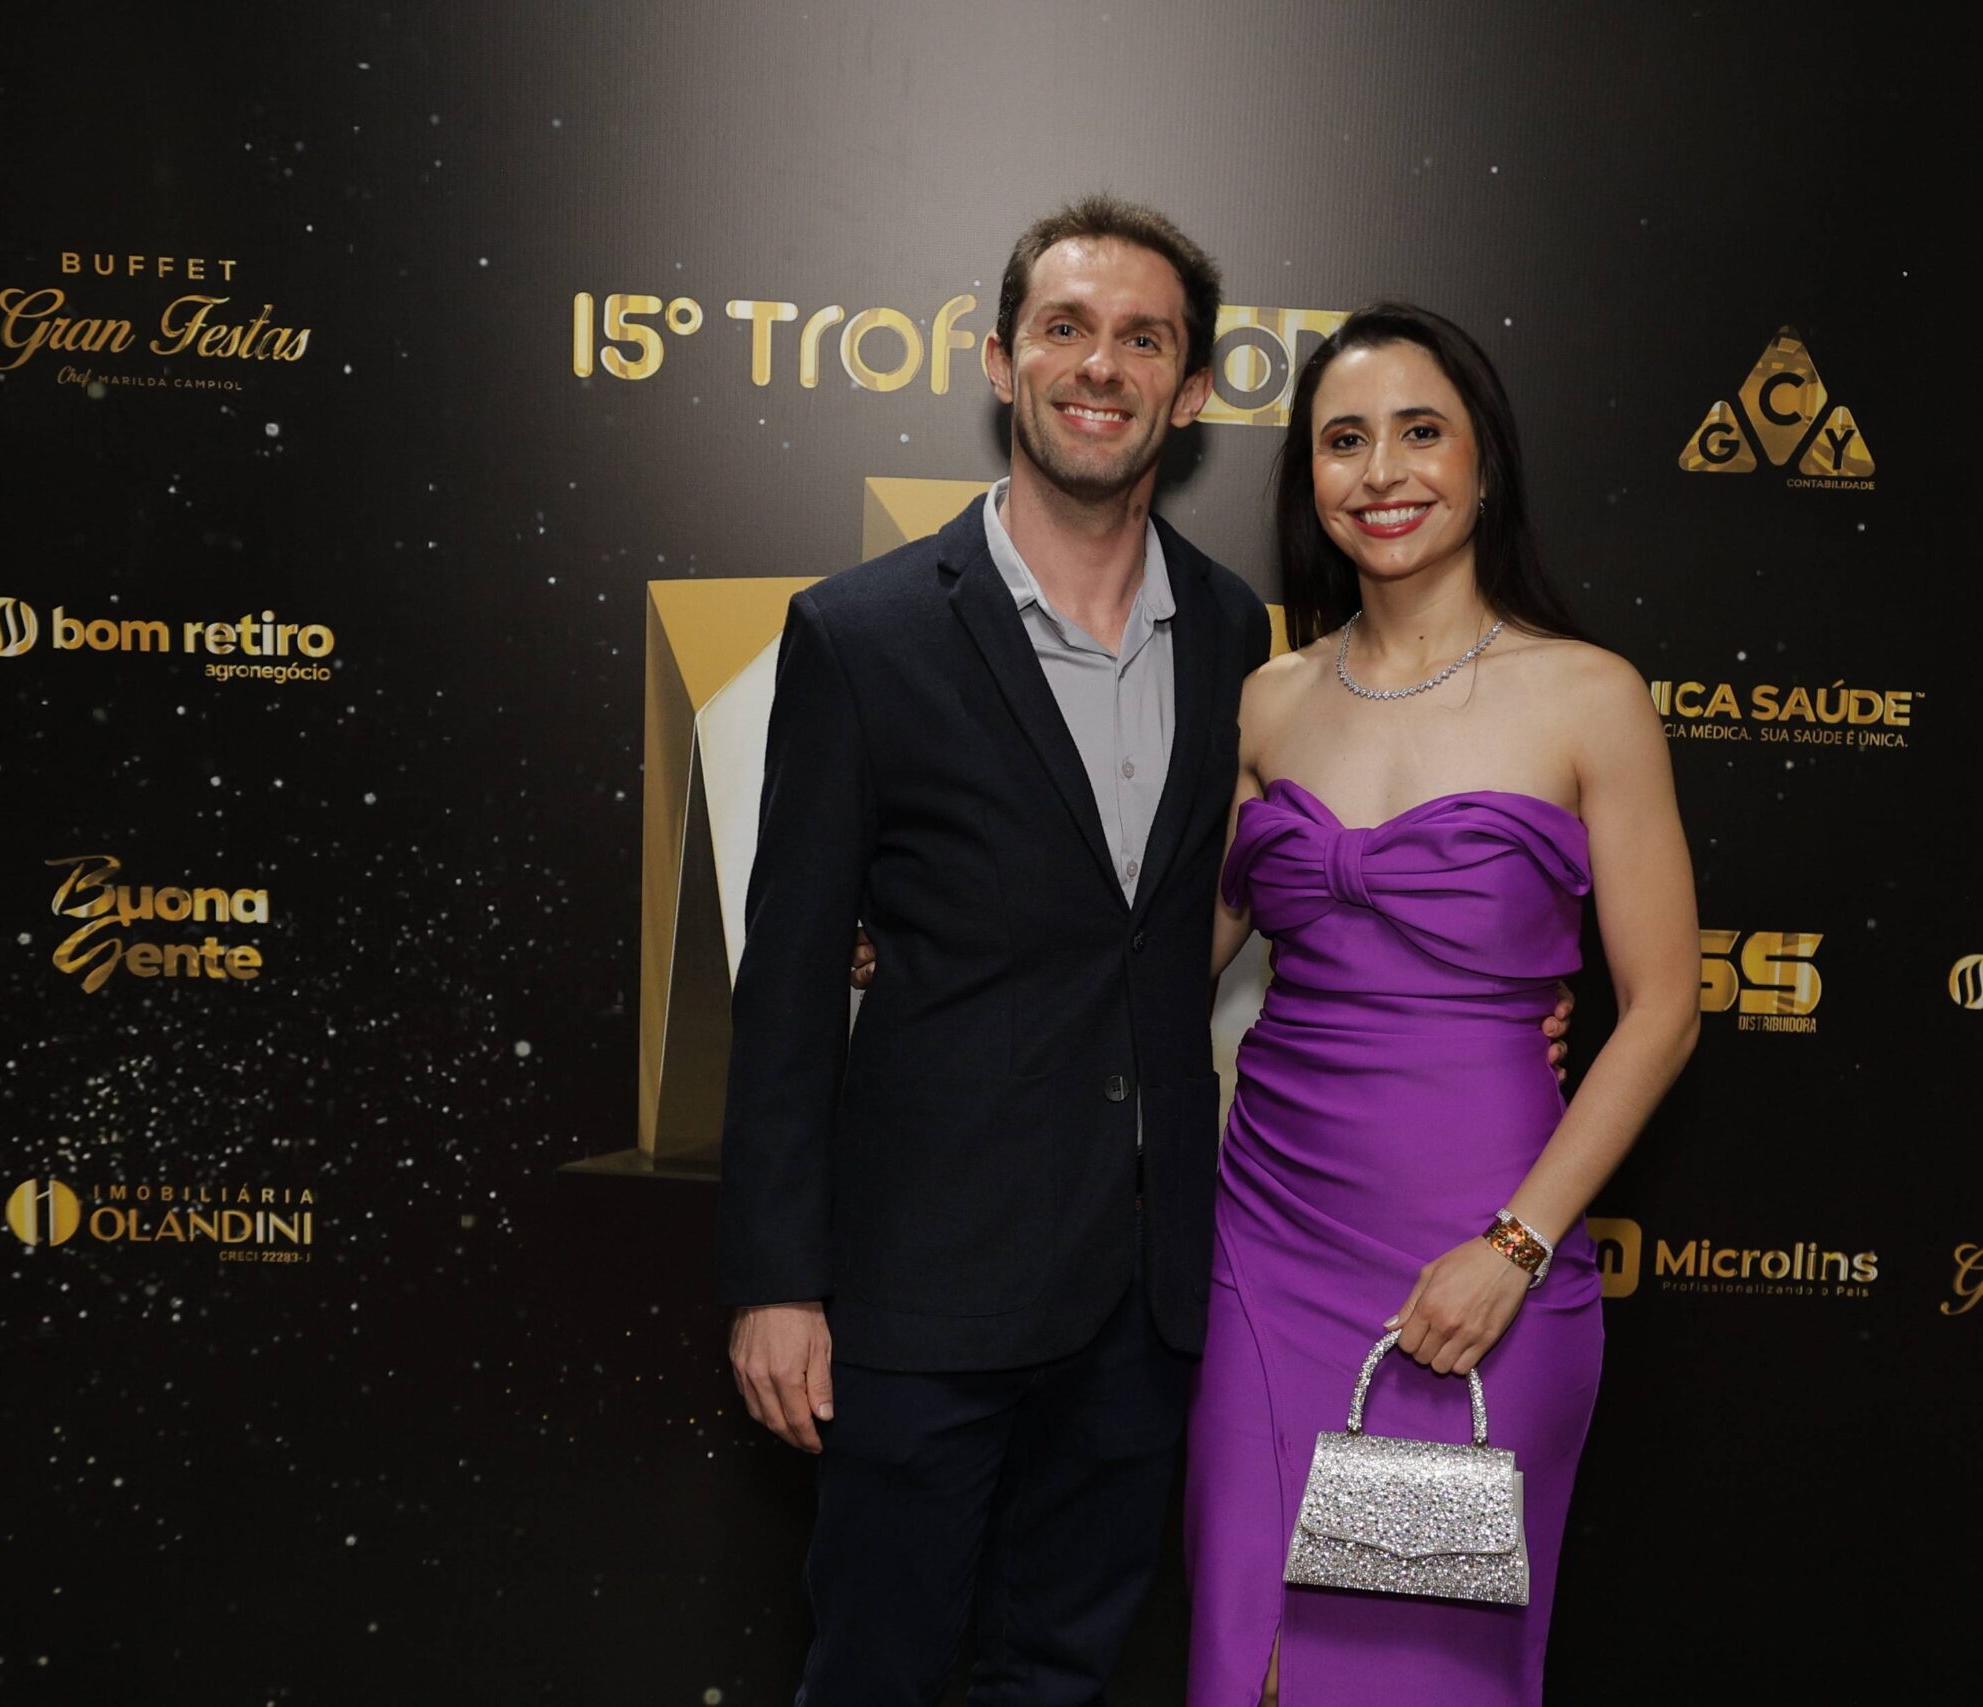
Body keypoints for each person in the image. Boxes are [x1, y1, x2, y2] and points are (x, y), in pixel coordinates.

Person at [716, 195, 1268, 1706]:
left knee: (1062, 1676)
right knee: (878, 1673)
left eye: (1143, 340)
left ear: (1192, 390)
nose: (1101, 366)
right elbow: (788, 984)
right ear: (999, 360)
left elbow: (1232, 905)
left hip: (1146, 1295)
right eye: (1066, 329)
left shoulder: (1238, 636)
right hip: (921, 1290)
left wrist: (1485, 999)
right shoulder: (863, 634)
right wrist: (776, 1281)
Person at [1183, 304, 1701, 1706]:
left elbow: (1663, 1007)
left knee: (1409, 1673)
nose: (1382, 472)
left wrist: (1513, 1249)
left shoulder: (1587, 696)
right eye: (1343, 441)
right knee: (1253, 1662)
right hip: (1268, 1247)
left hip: (1476, 1259)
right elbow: (1162, 966)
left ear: (1484, 463)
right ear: (1309, 478)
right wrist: (920, 946)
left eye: (1421, 432)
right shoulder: (1269, 702)